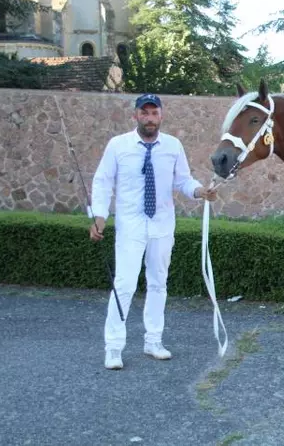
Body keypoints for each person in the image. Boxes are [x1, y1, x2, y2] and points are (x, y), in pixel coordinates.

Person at [88, 93, 217, 370]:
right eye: (144, 113)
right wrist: (99, 216)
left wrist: (198, 191)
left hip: (161, 224)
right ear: (135, 115)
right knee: (124, 284)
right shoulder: (118, 145)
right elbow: (102, 181)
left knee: (159, 283)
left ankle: (153, 341)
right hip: (130, 225)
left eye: (154, 113)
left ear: (161, 115)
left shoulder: (172, 146)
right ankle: (113, 347)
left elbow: (182, 180)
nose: (149, 118)